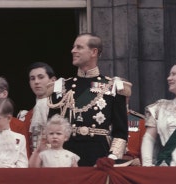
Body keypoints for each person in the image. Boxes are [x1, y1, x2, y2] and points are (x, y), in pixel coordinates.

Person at [48, 33, 130, 166]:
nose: (73, 50)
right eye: (73, 47)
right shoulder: (61, 86)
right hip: (66, 157)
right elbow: (51, 126)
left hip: (99, 157)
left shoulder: (113, 86)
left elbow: (120, 132)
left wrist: (112, 157)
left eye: (79, 47)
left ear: (94, 52)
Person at [17, 62, 57, 156]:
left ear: (53, 80)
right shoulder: (25, 116)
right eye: (32, 78)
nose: (36, 82)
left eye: (41, 77)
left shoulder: (62, 110)